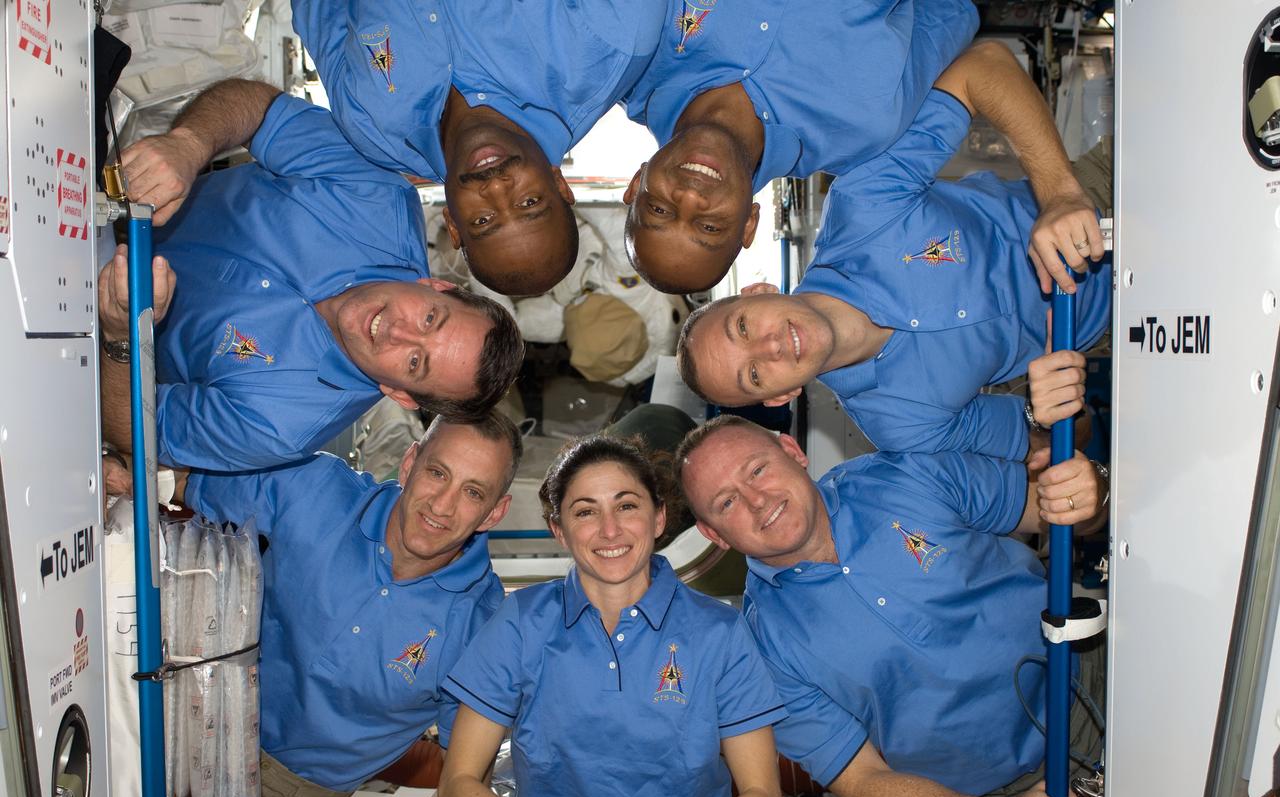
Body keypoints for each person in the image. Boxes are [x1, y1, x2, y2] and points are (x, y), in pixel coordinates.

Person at [676, 415, 1108, 797]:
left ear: (793, 452)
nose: (756, 500)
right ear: (715, 534)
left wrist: (1094, 496)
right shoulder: (760, 650)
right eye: (726, 503)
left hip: (1103, 674)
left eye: (757, 469)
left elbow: (1058, 511)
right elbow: (862, 780)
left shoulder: (908, 474)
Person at [674, 68, 1114, 462]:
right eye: (753, 375)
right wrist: (1045, 411)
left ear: (758, 291)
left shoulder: (861, 207)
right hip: (1120, 328)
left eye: (745, 328)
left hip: (1104, 198)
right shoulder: (900, 426)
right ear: (779, 397)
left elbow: (981, 69)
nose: (769, 348)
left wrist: (1058, 193)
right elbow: (1062, 439)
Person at [100, 79, 523, 472]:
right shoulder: (377, 195)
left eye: (415, 362)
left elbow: (136, 434)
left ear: (402, 395)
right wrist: (189, 146)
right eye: (430, 319)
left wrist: (121, 337)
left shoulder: (281, 427)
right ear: (437, 286)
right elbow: (261, 109)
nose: (398, 332)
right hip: (101, 192)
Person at [152, 412, 523, 797]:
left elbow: (462, 784)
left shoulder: (486, 628)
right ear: (409, 463)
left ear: (494, 512)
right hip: (173, 738)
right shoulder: (320, 489)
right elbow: (178, 478)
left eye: (473, 492)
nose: (442, 504)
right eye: (437, 472)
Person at [436, 435, 783, 797]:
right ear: (559, 531)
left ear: (658, 517)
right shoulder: (521, 622)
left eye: (627, 505)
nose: (609, 529)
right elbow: (458, 784)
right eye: (585, 512)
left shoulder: (720, 632)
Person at [623, 10, 1106, 297]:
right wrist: (1060, 191)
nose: (690, 198)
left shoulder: (633, 53)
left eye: (660, 209)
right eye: (710, 226)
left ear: (634, 185)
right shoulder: (863, 125)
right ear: (749, 223)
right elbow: (952, 16)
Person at [292, 0, 666, 298]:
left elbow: (320, 12)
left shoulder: (374, 130)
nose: (496, 187)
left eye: (483, 221)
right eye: (529, 203)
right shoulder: (609, 42)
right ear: (560, 184)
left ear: (452, 224)